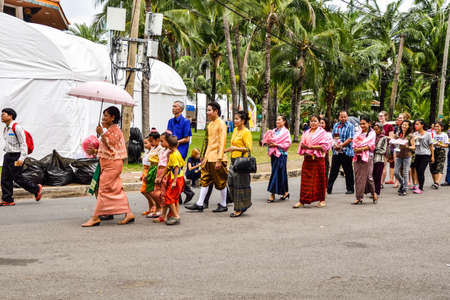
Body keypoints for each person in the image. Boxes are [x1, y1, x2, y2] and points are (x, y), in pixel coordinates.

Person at [82, 106, 135, 227]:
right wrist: (95, 151)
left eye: (106, 116)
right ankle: (128, 213)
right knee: (114, 189)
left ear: (112, 117)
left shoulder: (115, 130)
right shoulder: (110, 130)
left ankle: (95, 217)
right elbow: (109, 149)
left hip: (112, 164)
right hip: (108, 163)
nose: (103, 118)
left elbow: (111, 144)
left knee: (103, 189)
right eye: (103, 115)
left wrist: (102, 134)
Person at [185, 102, 229, 213]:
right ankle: (200, 203)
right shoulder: (210, 125)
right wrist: (203, 156)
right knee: (205, 180)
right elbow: (207, 142)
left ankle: (223, 204)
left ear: (216, 111)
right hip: (208, 158)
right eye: (207, 110)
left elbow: (222, 142)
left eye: (209, 110)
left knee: (221, 181)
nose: (207, 112)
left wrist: (219, 159)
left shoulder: (221, 124)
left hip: (217, 158)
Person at [1, 108, 42, 206]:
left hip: (16, 156)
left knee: (17, 177)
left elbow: (24, 144)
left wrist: (21, 158)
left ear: (10, 116)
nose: (1, 116)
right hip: (8, 156)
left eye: (4, 114)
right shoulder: (6, 128)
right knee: (5, 178)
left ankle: (36, 189)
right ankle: (8, 199)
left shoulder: (17, 127)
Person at [293, 115, 333, 208]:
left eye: (315, 121)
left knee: (320, 180)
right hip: (307, 159)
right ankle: (302, 200)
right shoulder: (306, 132)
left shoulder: (323, 133)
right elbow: (302, 144)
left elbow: (325, 146)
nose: (313, 123)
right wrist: (305, 148)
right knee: (305, 180)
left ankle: (322, 200)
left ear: (319, 123)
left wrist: (311, 147)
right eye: (311, 121)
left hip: (318, 159)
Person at [224, 111, 253, 217]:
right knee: (231, 182)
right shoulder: (235, 130)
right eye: (234, 118)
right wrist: (226, 150)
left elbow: (249, 149)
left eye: (237, 119)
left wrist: (235, 148)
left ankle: (239, 208)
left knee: (240, 185)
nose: (234, 121)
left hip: (241, 162)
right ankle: (241, 205)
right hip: (233, 160)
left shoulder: (246, 132)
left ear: (243, 121)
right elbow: (233, 145)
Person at [167, 101, 195, 204]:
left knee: (176, 170)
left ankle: (180, 195)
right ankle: (186, 193)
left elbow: (187, 139)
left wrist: (175, 143)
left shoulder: (185, 122)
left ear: (181, 109)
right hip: (172, 148)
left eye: (175, 106)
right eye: (173, 106)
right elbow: (168, 135)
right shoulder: (170, 121)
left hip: (181, 149)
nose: (173, 108)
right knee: (175, 171)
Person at [264, 115, 292, 202]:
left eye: (279, 120)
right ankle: (285, 192)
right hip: (273, 154)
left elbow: (288, 144)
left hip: (281, 155)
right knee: (281, 174)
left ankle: (272, 194)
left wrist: (276, 144)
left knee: (276, 173)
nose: (277, 121)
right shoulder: (273, 131)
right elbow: (268, 140)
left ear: (284, 122)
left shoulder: (286, 132)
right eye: (277, 119)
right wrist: (267, 142)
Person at [327, 111, 355, 195]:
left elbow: (350, 138)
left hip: (347, 152)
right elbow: (333, 137)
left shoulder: (350, 126)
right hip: (336, 152)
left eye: (345, 117)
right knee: (333, 171)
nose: (343, 118)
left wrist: (341, 146)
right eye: (341, 117)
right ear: (339, 117)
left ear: (347, 117)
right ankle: (329, 188)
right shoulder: (336, 125)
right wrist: (334, 145)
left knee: (348, 171)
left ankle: (350, 188)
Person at [159, 134, 184, 225]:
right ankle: (172, 214)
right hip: (177, 178)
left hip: (176, 179)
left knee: (169, 197)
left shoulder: (174, 155)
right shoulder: (175, 153)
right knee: (172, 197)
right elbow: (169, 167)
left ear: (169, 144)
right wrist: (161, 176)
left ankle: (176, 216)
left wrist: (174, 181)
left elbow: (176, 167)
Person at [141, 129, 163, 218]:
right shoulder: (153, 148)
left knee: (154, 191)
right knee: (149, 190)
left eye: (151, 141)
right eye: (149, 141)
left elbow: (161, 162)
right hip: (151, 169)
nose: (150, 143)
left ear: (157, 139)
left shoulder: (160, 149)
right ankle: (157, 208)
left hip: (156, 169)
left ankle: (159, 208)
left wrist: (159, 175)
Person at [151, 132, 171, 223]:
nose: (160, 143)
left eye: (162, 141)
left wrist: (163, 176)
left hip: (164, 173)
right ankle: (162, 211)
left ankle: (165, 214)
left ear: (168, 141)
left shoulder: (169, 152)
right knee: (155, 193)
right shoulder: (162, 150)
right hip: (159, 171)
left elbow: (168, 165)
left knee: (163, 194)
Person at [393, 120, 415, 196]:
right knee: (396, 172)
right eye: (403, 125)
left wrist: (407, 146)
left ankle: (404, 189)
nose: (404, 126)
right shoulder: (399, 134)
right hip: (399, 155)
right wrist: (394, 140)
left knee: (405, 173)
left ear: (409, 126)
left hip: (407, 156)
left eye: (406, 125)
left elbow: (413, 147)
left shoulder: (410, 135)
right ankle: (403, 183)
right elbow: (395, 143)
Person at [412, 119, 434, 194]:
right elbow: (412, 145)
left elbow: (431, 145)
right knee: (417, 171)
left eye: (417, 124)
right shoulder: (414, 134)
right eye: (415, 124)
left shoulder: (427, 134)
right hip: (417, 154)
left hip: (425, 155)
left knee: (421, 170)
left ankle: (420, 188)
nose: (416, 125)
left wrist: (432, 156)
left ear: (422, 125)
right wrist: (413, 140)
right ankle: (417, 185)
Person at [429, 122, 448, 189]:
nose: (436, 128)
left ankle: (437, 183)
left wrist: (440, 145)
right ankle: (435, 182)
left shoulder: (444, 135)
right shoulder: (431, 134)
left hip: (441, 151)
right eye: (435, 126)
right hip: (432, 151)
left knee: (439, 167)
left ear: (441, 127)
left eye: (438, 126)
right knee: (432, 167)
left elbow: (447, 145)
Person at [378, 111, 395, 186]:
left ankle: (381, 183)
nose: (380, 117)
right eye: (379, 116)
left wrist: (384, 136)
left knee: (383, 165)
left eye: (382, 116)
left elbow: (391, 137)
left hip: (385, 147)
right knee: (377, 165)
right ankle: (377, 181)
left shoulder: (389, 126)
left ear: (385, 117)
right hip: (376, 147)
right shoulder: (377, 125)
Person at [372, 123, 387, 196]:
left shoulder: (383, 138)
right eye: (374, 129)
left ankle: (377, 192)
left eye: (377, 129)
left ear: (381, 129)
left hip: (379, 160)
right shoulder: (372, 137)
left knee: (378, 177)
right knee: (372, 176)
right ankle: (372, 191)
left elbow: (383, 150)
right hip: (371, 159)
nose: (375, 131)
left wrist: (374, 149)